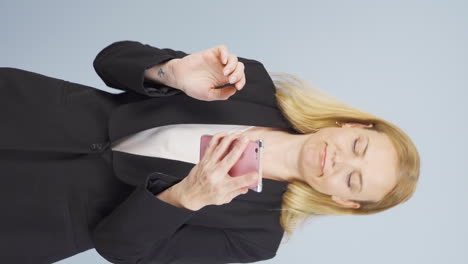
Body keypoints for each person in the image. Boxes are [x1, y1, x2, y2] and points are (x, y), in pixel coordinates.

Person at [0, 40, 420, 264]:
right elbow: (108, 60)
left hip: (25, 221)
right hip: (20, 108)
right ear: (351, 125)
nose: (339, 159)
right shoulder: (250, 83)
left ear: (344, 200)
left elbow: (119, 249)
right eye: (357, 147)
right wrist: (170, 71)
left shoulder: (255, 239)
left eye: (353, 178)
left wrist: (185, 199)